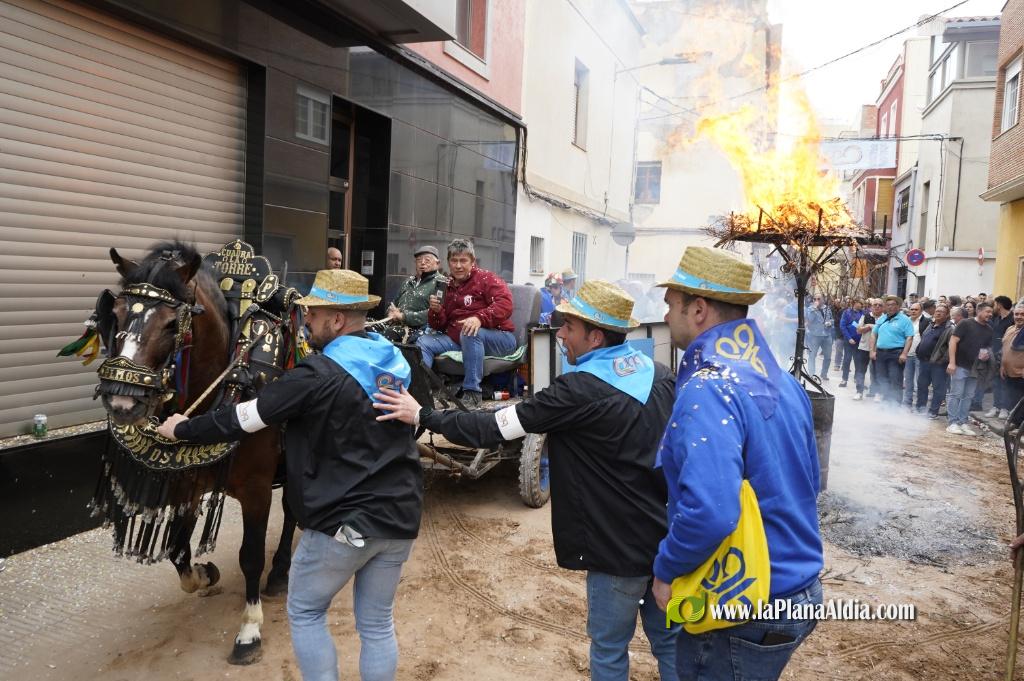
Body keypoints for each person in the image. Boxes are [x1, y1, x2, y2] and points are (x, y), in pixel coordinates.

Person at [375, 280, 680, 681]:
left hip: (615, 547)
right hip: (665, 541)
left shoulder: (578, 390)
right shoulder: (659, 375)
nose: (561, 338)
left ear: (596, 335)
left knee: (608, 650)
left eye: (568, 328)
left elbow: (495, 427)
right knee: (672, 646)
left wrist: (423, 416)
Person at [155, 269, 422, 681]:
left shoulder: (315, 376)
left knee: (306, 609)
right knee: (376, 624)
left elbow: (246, 417)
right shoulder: (392, 365)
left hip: (344, 525)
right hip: (400, 518)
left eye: (312, 315)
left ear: (336, 321)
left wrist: (181, 428)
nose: (305, 322)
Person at [651, 247, 823, 681]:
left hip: (744, 600)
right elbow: (809, 480)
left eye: (670, 305)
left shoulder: (708, 388)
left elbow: (711, 511)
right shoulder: (782, 380)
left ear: (699, 309)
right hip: (798, 587)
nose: (666, 315)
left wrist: (666, 568)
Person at [416, 239, 517, 409]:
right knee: (423, 342)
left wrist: (479, 318)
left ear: (472, 262)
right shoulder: (445, 285)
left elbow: (505, 304)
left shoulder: (486, 279)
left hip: (500, 338)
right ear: (448, 262)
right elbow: (439, 326)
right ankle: (422, 392)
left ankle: (472, 393)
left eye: (463, 261)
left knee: (470, 330)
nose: (458, 266)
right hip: (460, 339)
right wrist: (436, 310)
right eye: (454, 261)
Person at [946, 301, 995, 435]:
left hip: (975, 368)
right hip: (960, 365)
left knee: (968, 396)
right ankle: (952, 422)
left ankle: (963, 422)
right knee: (956, 394)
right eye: (987, 312)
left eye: (991, 312)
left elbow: (987, 347)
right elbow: (953, 341)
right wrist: (952, 362)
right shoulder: (965, 323)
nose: (990, 314)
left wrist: (986, 353)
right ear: (979, 311)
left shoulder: (989, 329)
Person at [382, 246, 447, 344]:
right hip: (394, 323)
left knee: (388, 334)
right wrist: (391, 312)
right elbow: (393, 304)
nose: (422, 263)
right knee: (366, 328)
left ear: (437, 264)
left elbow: (436, 313)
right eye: (419, 260)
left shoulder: (441, 283)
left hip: (418, 329)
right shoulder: (408, 281)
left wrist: (404, 316)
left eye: (427, 260)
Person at [869, 295, 915, 404]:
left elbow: (909, 337)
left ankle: (895, 406)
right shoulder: (882, 318)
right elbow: (874, 335)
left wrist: (904, 354)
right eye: (888, 305)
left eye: (893, 305)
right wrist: (872, 350)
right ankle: (885, 403)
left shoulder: (904, 320)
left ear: (898, 306)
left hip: (896, 353)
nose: (890, 307)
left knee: (895, 380)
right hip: (880, 353)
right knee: (882, 379)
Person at [915, 304, 954, 418]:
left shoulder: (949, 329)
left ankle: (933, 412)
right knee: (922, 385)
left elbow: (950, 347)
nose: (938, 313)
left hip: (938, 364)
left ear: (947, 314)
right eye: (937, 311)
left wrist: (942, 360)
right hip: (924, 361)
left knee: (938, 388)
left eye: (942, 311)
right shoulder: (931, 325)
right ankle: (920, 408)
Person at [987, 295, 1015, 418]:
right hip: (994, 355)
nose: (993, 307)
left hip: (1007, 356)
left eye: (995, 304)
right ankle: (996, 406)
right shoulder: (996, 318)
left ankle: (1005, 408)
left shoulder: (1013, 319)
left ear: (999, 305)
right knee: (995, 382)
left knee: (1005, 383)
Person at [853, 298, 882, 400]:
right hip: (864, 347)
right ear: (871, 307)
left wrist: (873, 326)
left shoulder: (885, 318)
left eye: (879, 305)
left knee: (877, 371)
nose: (877, 307)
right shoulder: (865, 316)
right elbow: (858, 330)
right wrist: (868, 327)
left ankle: (877, 392)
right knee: (861, 370)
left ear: (883, 307)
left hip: (878, 349)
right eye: (875, 305)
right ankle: (859, 392)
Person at [901, 302, 928, 407]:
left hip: (920, 356)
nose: (913, 311)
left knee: (920, 382)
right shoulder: (905, 321)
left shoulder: (926, 321)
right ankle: (907, 403)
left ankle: (920, 405)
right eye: (911, 309)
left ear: (921, 311)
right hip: (907, 354)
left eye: (916, 309)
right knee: (908, 381)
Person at [1002, 304, 1024, 424]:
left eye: (1022, 314)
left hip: (1021, 375)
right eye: (1016, 314)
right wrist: (1002, 366)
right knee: (1013, 403)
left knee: (1021, 407)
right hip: (1009, 374)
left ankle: (1019, 431)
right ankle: (1015, 429)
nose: (1019, 317)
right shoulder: (1010, 329)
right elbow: (1004, 348)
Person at [804, 294, 834, 381]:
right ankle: (811, 374)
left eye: (818, 298)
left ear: (823, 299)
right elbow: (809, 320)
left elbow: (832, 319)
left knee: (828, 357)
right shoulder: (810, 309)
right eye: (814, 299)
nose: (816, 300)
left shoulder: (827, 308)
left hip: (826, 335)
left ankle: (824, 374)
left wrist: (830, 323)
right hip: (815, 335)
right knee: (812, 355)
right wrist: (814, 308)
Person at [839, 298, 863, 388]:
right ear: (854, 303)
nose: (861, 304)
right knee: (847, 360)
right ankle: (844, 379)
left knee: (858, 361)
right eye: (860, 302)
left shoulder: (863, 313)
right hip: (849, 340)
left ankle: (857, 379)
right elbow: (842, 326)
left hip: (860, 341)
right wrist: (849, 338)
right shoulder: (847, 312)